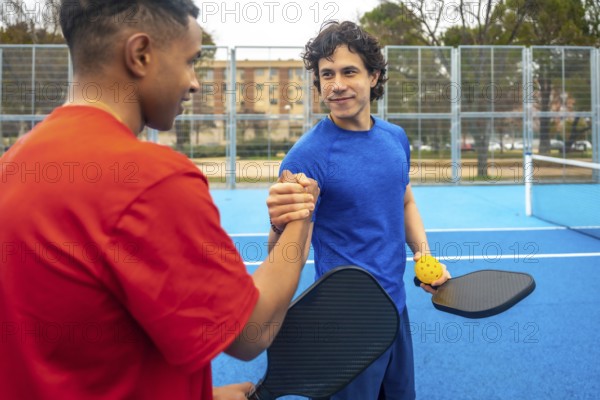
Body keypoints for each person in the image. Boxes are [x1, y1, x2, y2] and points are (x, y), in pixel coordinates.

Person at [0, 1, 318, 399]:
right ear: (140, 55)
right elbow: (250, 333)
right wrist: (302, 213)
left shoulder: (13, 165)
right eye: (189, 61)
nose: (194, 83)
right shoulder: (151, 181)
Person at [269, 21, 451, 399]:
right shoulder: (306, 157)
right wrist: (277, 225)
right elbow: (282, 255)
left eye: (349, 71)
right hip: (344, 321)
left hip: (395, 310)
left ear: (374, 76)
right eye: (327, 75)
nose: (337, 84)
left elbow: (405, 201)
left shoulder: (395, 138)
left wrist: (423, 256)